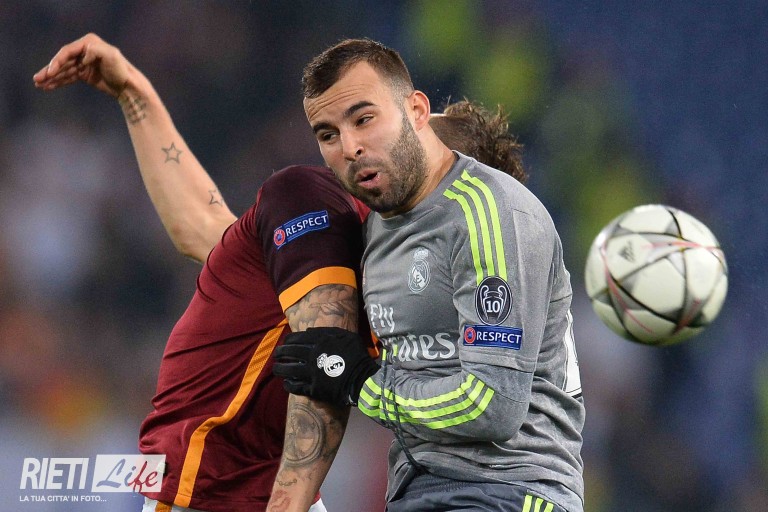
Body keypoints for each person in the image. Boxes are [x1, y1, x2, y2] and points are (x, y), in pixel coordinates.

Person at [32, 33, 527, 512]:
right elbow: (204, 229)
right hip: (217, 491)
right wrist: (134, 93)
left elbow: (326, 367)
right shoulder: (313, 200)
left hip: (253, 494)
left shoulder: (411, 272)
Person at [273, 38, 585, 512]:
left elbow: (492, 404)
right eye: (328, 134)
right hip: (418, 489)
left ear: (416, 110)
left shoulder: (490, 214)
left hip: (509, 488)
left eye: (364, 119)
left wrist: (359, 383)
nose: (351, 147)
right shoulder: (374, 227)